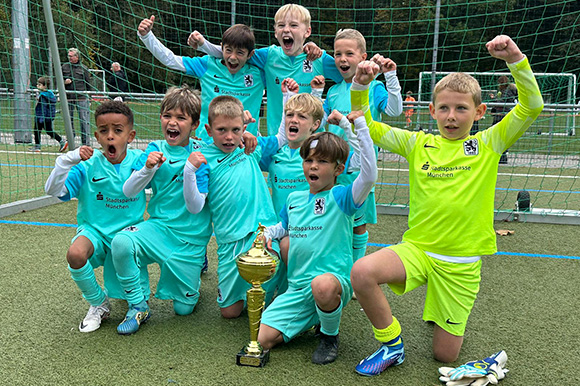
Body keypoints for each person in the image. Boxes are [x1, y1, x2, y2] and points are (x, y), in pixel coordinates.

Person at [349, 35, 543, 376]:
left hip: (460, 264)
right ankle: (392, 345)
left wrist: (516, 59)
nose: (451, 116)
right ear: (432, 110)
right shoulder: (417, 144)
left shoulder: (489, 143)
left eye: (461, 108)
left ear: (479, 112)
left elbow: (532, 107)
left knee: (445, 356)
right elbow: (368, 125)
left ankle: (440, 307)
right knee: (362, 272)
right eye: (444, 108)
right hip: (418, 250)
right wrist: (360, 85)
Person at [258, 119, 377, 365]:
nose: (313, 166)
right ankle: (316, 316)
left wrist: (357, 129)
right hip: (298, 287)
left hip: (332, 283)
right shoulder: (294, 198)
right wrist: (268, 234)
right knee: (264, 339)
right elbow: (284, 227)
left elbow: (369, 176)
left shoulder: (343, 197)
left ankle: (329, 336)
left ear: (338, 169)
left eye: (322, 161)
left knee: (322, 286)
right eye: (309, 160)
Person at [111, 86, 211, 335]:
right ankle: (138, 305)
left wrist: (190, 169)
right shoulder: (154, 148)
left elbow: (196, 206)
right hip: (159, 228)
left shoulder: (202, 153)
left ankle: (195, 271)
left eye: (181, 117)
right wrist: (147, 169)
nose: (172, 123)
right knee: (122, 242)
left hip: (190, 238)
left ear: (195, 123)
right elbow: (128, 191)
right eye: (167, 115)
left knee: (183, 310)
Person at [44, 100, 150, 333]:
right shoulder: (87, 165)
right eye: (104, 131)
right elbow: (53, 191)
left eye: (117, 130)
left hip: (129, 234)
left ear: (130, 136)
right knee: (75, 254)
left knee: (132, 288)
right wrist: (65, 160)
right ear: (97, 135)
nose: (110, 136)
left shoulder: (140, 160)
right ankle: (98, 303)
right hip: (94, 231)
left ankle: (137, 305)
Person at [183, 95, 287, 319]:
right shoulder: (203, 159)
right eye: (221, 130)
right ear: (209, 130)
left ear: (243, 128)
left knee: (259, 305)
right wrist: (188, 171)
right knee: (229, 312)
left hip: (261, 232)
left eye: (235, 130)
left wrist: (286, 97)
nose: (229, 137)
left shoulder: (250, 147)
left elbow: (281, 138)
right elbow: (196, 205)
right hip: (228, 240)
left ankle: (279, 293)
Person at [190, 3, 343, 135]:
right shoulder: (269, 56)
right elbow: (235, 53)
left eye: (294, 25)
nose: (286, 30)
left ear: (307, 32)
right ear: (275, 32)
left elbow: (347, 77)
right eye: (281, 25)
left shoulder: (319, 58)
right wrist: (204, 45)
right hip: (278, 137)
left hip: (312, 138)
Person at [321, 28, 403, 264]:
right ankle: (335, 266)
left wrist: (390, 76)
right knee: (335, 216)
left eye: (349, 53)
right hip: (334, 166)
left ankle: (355, 271)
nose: (342, 59)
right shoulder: (334, 91)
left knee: (358, 223)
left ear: (363, 57)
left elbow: (394, 110)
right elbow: (323, 122)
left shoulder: (374, 87)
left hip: (361, 167)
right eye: (337, 54)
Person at [138, 17, 265, 141]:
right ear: (221, 48)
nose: (232, 57)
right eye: (228, 50)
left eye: (240, 53)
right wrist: (147, 36)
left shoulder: (260, 74)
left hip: (243, 145)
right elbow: (171, 60)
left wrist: (203, 44)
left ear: (250, 54)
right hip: (206, 144)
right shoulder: (207, 65)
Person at [61, 48, 92, 146]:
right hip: (68, 97)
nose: (69, 58)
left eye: (71, 56)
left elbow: (88, 84)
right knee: (68, 120)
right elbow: (58, 80)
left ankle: (86, 144)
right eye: (68, 56)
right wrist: (64, 82)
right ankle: (70, 141)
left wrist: (89, 98)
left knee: (84, 120)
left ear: (77, 57)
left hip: (81, 98)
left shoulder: (84, 68)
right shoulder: (64, 67)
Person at [30, 76, 68, 153]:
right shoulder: (50, 94)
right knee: (48, 131)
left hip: (42, 116)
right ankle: (61, 141)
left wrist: (41, 118)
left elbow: (43, 107)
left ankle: (38, 147)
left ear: (44, 86)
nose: (37, 86)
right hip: (48, 116)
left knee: (37, 130)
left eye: (39, 84)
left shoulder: (43, 96)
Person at [492, 75, 518, 163]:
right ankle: (501, 155)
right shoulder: (506, 91)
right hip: (501, 115)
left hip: (502, 116)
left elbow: (502, 102)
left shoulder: (507, 92)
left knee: (499, 136)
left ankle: (502, 156)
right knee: (498, 136)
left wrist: (494, 99)